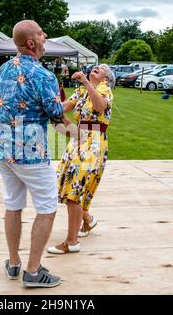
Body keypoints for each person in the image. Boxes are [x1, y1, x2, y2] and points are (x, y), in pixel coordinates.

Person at [0, 20, 66, 288]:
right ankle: (34, 272)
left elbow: (25, 104)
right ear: (32, 43)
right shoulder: (44, 76)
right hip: (30, 153)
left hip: (3, 149)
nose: (45, 36)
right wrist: (80, 134)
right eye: (40, 33)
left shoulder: (3, 69)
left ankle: (14, 264)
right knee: (47, 207)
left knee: (13, 204)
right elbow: (58, 119)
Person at [48, 64, 115, 254]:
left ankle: (72, 241)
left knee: (75, 189)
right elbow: (64, 107)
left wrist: (86, 81)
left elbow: (100, 106)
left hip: (94, 142)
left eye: (101, 68)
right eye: (95, 66)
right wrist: (48, 104)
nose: (96, 68)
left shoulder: (105, 90)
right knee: (69, 184)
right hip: (79, 138)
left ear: (106, 78)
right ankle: (88, 220)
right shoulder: (81, 90)